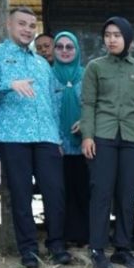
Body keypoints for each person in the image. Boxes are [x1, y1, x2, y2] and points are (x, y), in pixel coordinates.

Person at [0, 5, 70, 268]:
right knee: (20, 194)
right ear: (9, 25)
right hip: (12, 135)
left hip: (47, 137)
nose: (27, 29)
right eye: (22, 24)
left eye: (31, 25)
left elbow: (54, 101)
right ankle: (28, 249)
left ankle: (56, 244)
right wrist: (9, 85)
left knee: (54, 191)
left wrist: (59, 137)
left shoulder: (41, 63)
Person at [81, 16, 134, 268]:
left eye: (117, 35)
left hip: (133, 138)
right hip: (103, 136)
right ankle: (97, 249)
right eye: (108, 34)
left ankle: (123, 248)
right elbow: (88, 103)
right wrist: (87, 135)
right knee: (101, 192)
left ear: (128, 39)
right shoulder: (95, 68)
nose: (111, 39)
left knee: (127, 193)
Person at [52, 31, 89, 246]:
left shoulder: (86, 75)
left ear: (76, 50)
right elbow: (45, 110)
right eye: (60, 47)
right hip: (56, 145)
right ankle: (64, 236)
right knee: (60, 192)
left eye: (69, 47)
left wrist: (85, 122)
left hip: (84, 143)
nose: (65, 51)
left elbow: (95, 104)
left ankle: (85, 236)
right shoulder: (47, 75)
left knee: (84, 190)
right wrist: (55, 139)